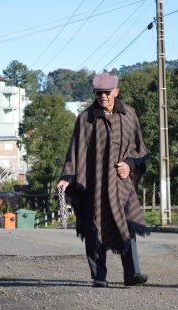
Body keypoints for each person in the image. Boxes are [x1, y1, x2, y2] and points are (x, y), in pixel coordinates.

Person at [57, 72, 149, 288]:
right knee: (94, 227)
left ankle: (132, 274)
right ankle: (99, 276)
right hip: (94, 182)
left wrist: (129, 164)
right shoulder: (85, 119)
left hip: (121, 183)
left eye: (107, 92)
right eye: (98, 93)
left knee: (127, 222)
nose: (103, 97)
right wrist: (67, 177)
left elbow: (139, 148)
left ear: (116, 91)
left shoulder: (129, 115)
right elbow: (74, 150)